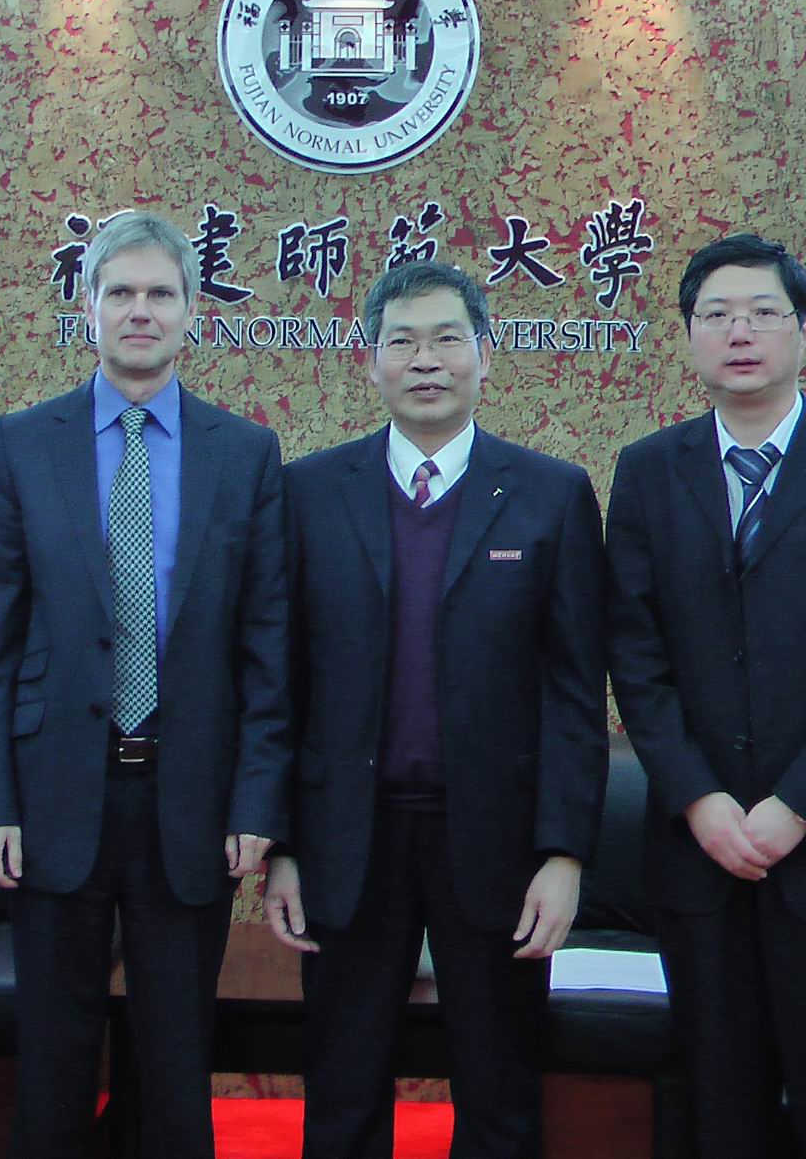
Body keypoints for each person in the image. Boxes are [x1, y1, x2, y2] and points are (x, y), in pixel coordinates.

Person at [0, 208, 293, 1159]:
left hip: (189, 797)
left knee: (177, 1063)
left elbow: (267, 644)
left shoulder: (244, 452)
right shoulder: (22, 444)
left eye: (160, 294)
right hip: (54, 792)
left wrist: (256, 800)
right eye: (120, 293)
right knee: (53, 1064)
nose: (140, 311)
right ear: (89, 307)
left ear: (192, 312)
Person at [265, 260, 608, 1159]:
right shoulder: (309, 493)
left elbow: (575, 691)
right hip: (348, 841)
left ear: (485, 355)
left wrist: (564, 853)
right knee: (342, 1096)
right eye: (403, 341)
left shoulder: (550, 494)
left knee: (500, 1099)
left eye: (449, 339)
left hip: (496, 844)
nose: (426, 360)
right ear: (369, 359)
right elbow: (281, 683)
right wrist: (283, 845)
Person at [605, 232, 806, 1159]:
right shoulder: (648, 470)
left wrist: (799, 804)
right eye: (716, 315)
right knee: (719, 1111)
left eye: (761, 313)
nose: (739, 332)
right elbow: (635, 653)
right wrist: (699, 799)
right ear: (689, 336)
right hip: (699, 855)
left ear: (803, 332)